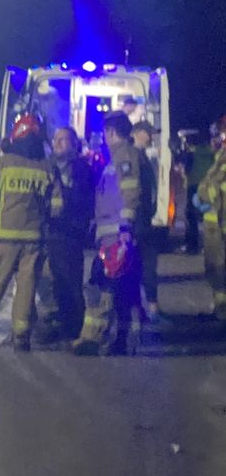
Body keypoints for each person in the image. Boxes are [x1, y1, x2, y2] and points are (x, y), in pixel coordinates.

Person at [0, 115, 60, 351]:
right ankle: (21, 336)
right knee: (27, 288)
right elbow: (57, 206)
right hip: (34, 240)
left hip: (5, 239)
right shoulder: (47, 167)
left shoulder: (3, 164)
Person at [74, 112, 148, 355]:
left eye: (106, 133)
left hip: (117, 236)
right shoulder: (122, 156)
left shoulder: (124, 156)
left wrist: (125, 229)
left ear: (112, 133)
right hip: (114, 234)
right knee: (123, 290)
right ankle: (121, 340)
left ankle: (93, 339)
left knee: (102, 286)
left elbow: (130, 192)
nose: (105, 138)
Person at [36, 126, 93, 342]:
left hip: (70, 233)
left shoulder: (82, 169)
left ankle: (73, 328)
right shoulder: (45, 167)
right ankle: (56, 323)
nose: (57, 143)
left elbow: (86, 201)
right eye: (55, 139)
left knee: (70, 281)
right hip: (49, 231)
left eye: (63, 139)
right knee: (51, 282)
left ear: (74, 144)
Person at [195, 117, 226, 320]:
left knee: (218, 268)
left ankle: (222, 309)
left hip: (219, 222)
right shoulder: (220, 156)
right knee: (217, 268)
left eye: (218, 134)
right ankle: (220, 307)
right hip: (215, 222)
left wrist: (202, 195)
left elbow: (214, 186)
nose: (214, 139)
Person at [130, 121, 160, 317]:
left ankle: (143, 307)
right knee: (145, 264)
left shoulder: (142, 157)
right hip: (138, 220)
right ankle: (149, 307)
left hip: (143, 219)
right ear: (138, 133)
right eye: (148, 134)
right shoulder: (135, 157)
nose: (150, 138)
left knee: (143, 264)